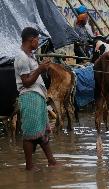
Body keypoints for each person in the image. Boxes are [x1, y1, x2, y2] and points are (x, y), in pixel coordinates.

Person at [14, 27, 57, 170]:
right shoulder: (21, 57)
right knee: (30, 133)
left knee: (42, 132)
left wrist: (41, 67)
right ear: (31, 40)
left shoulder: (30, 56)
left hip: (37, 96)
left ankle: (52, 162)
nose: (38, 42)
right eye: (37, 39)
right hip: (29, 97)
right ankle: (29, 167)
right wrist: (40, 69)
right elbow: (26, 81)